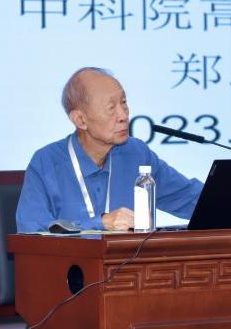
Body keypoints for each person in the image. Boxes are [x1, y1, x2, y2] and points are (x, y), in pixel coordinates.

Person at [16, 67, 204, 233]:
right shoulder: (47, 162)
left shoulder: (136, 153)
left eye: (124, 102)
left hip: (132, 262)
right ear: (80, 120)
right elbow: (31, 231)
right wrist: (101, 223)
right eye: (111, 108)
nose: (123, 115)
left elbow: (190, 199)